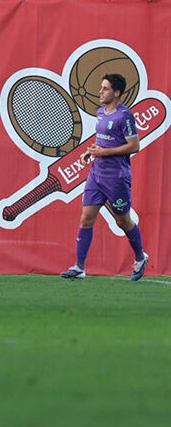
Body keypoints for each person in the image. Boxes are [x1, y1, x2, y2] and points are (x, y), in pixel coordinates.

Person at [61, 74, 149, 281]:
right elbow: (103, 140)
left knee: (123, 221)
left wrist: (104, 153)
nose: (100, 92)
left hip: (116, 177)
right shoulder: (101, 112)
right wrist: (91, 152)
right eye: (101, 88)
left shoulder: (124, 116)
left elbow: (134, 146)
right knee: (86, 218)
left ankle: (140, 257)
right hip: (96, 174)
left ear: (116, 93)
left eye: (105, 88)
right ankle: (79, 267)